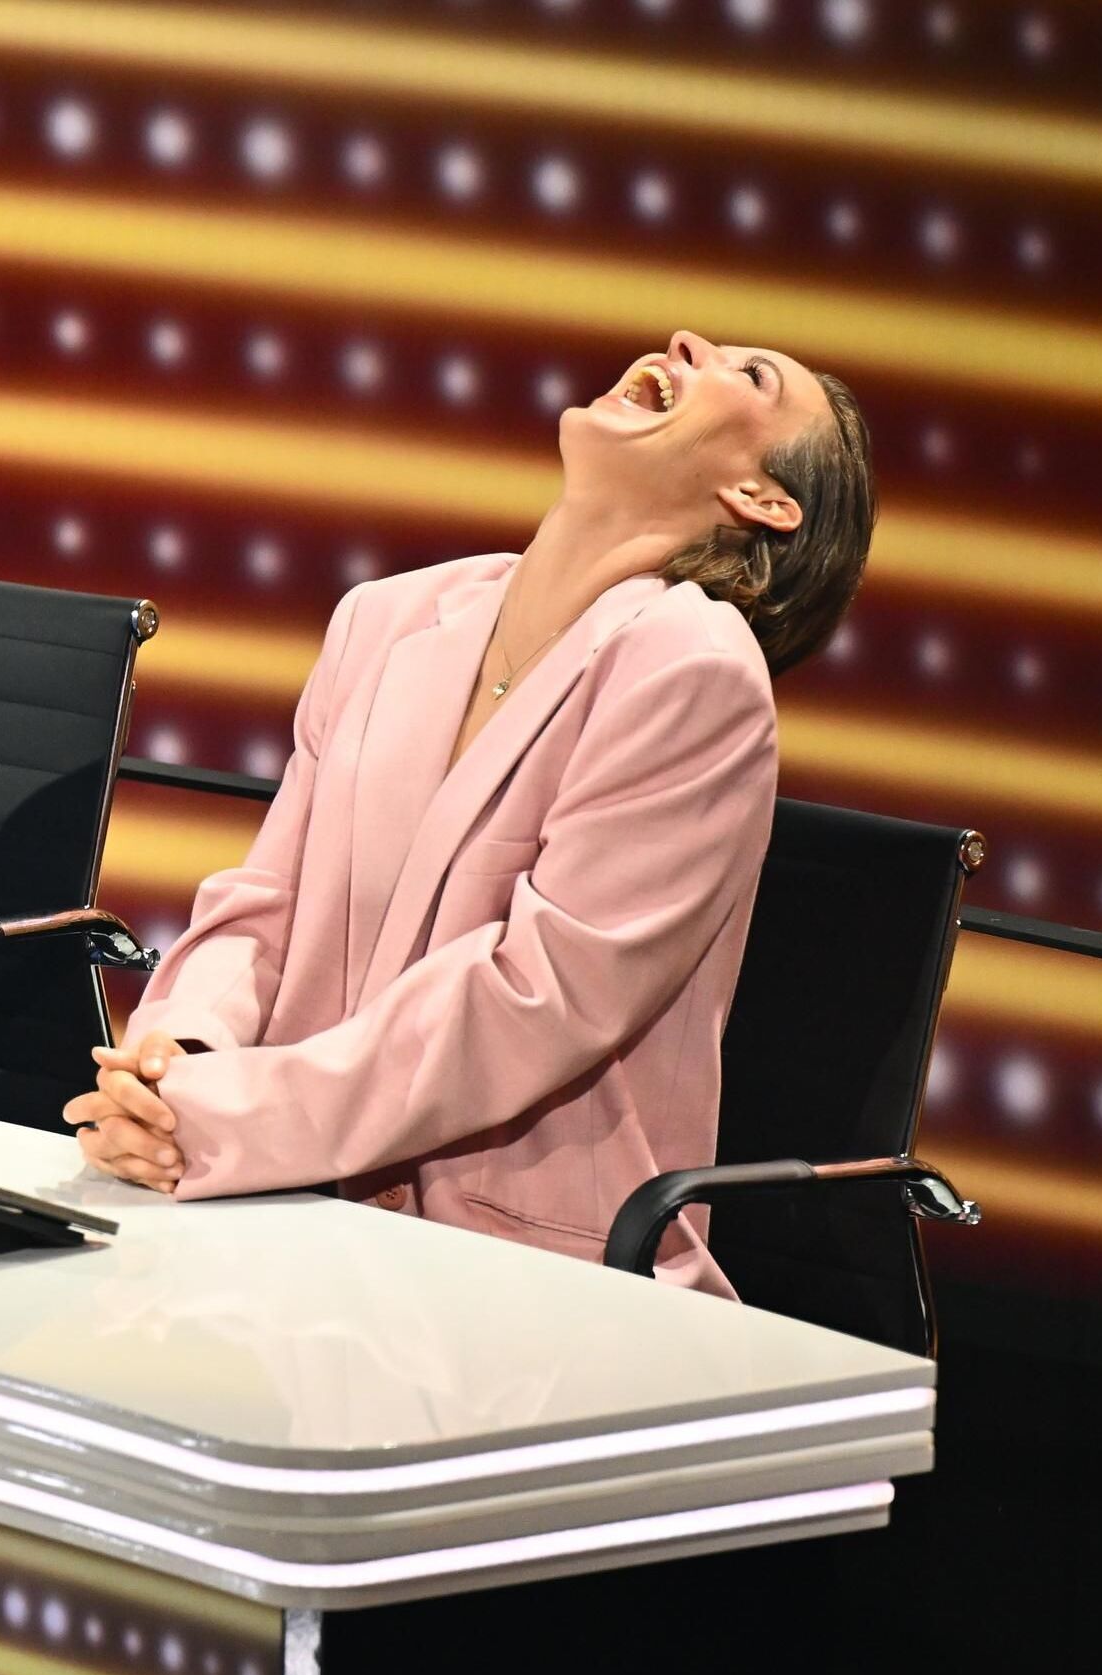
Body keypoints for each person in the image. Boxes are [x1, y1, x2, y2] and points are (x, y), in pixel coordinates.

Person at [65, 331, 875, 1294]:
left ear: (761, 498)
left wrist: (237, 1118)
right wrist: (179, 1059)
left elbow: (534, 997)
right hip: (272, 1205)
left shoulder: (697, 671)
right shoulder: (387, 616)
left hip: (523, 1272)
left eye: (751, 375)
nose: (685, 341)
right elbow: (266, 900)